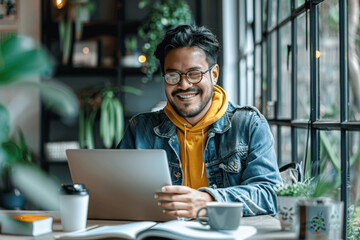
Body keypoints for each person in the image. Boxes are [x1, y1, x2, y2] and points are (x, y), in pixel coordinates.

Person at [118, 24, 282, 218]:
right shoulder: (140, 129)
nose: (184, 84)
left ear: (214, 75)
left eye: (194, 74)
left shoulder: (249, 124)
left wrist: (209, 201)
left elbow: (270, 195)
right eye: (172, 75)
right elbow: (116, 191)